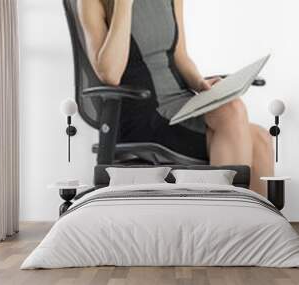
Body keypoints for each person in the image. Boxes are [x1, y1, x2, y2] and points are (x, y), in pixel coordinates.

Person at [78, 0, 274, 196]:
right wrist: (124, 5)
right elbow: (110, 74)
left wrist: (200, 83)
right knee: (233, 111)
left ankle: (252, 224)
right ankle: (222, 219)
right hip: (142, 113)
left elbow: (180, 55)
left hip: (180, 103)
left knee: (260, 138)